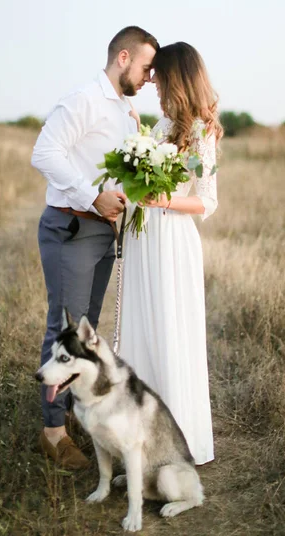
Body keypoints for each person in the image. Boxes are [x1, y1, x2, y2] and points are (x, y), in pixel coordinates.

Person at [31, 26, 159, 468]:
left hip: (104, 233)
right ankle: (52, 433)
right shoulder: (83, 99)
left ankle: (72, 414)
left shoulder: (127, 112)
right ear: (123, 57)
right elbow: (44, 153)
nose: (148, 77)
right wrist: (91, 197)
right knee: (62, 329)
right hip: (71, 228)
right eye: (146, 67)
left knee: (86, 330)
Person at [119, 42, 223, 465]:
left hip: (173, 242)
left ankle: (175, 448)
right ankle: (141, 449)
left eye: (159, 75)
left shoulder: (201, 130)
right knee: (142, 331)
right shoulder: (161, 125)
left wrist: (163, 202)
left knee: (169, 333)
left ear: (176, 78)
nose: (154, 81)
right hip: (145, 240)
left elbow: (207, 201)